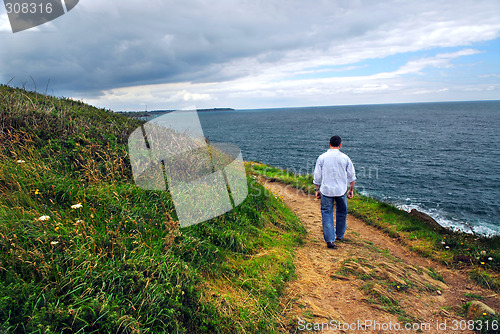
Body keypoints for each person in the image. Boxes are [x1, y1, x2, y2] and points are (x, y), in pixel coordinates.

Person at [313, 135, 356, 249]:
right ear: (340, 145)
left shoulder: (322, 157)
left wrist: (317, 189)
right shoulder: (345, 158)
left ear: (329, 144)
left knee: (327, 214)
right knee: (342, 212)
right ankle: (340, 235)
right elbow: (352, 176)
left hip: (326, 191)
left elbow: (317, 176)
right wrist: (351, 190)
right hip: (341, 190)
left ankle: (330, 241)